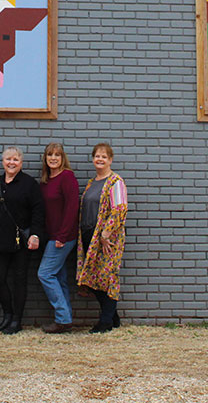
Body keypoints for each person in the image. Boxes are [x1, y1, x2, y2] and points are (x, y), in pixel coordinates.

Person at [0, 146, 45, 334]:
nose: (11, 162)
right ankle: (7, 315)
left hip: (21, 243)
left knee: (19, 280)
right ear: (3, 162)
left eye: (15, 159)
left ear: (21, 163)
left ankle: (17, 320)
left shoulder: (29, 184)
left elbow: (38, 212)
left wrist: (35, 234)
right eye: (8, 159)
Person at [76, 142, 128, 333]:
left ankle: (105, 322)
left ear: (110, 160)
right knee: (93, 277)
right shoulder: (92, 183)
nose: (100, 159)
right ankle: (113, 317)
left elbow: (119, 210)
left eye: (104, 157)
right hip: (89, 235)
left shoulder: (115, 182)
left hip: (108, 238)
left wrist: (106, 233)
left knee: (107, 277)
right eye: (97, 156)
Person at [37, 142, 80, 333]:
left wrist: (62, 236)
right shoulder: (46, 181)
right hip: (51, 236)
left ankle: (62, 318)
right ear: (45, 158)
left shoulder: (67, 177)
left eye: (57, 155)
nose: (53, 158)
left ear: (63, 158)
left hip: (63, 237)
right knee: (59, 277)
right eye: (50, 155)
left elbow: (72, 208)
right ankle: (66, 318)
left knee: (45, 274)